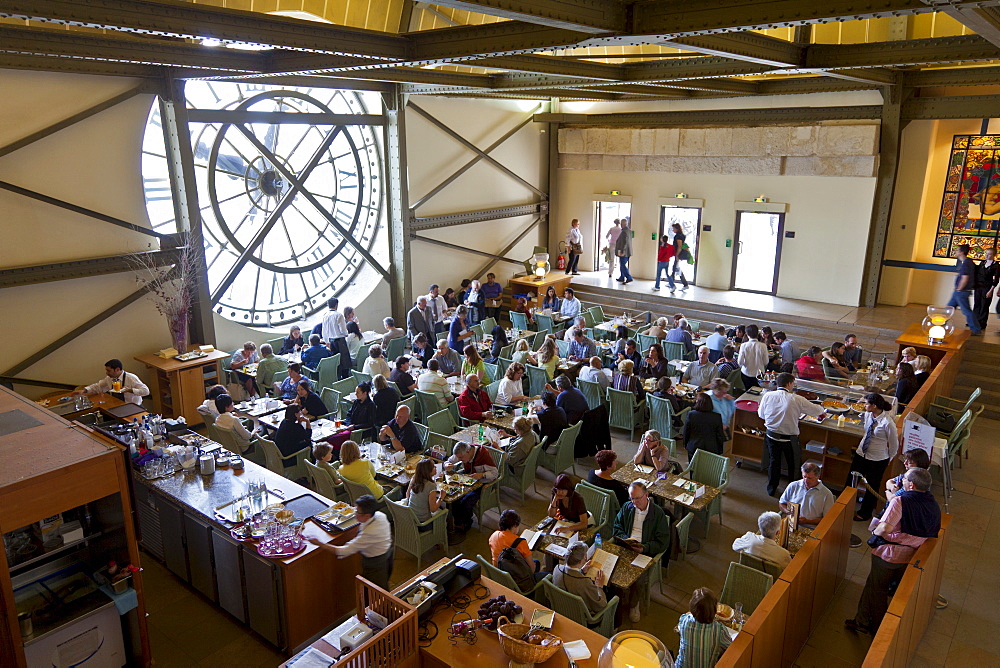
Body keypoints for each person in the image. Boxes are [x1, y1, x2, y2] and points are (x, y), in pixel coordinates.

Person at [845, 468, 940, 635]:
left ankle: (877, 629)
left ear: (911, 484)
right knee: (874, 585)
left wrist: (875, 531)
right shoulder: (933, 503)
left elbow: (885, 528)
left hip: (889, 555)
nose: (901, 481)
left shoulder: (901, 501)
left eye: (904, 479)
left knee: (877, 590)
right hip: (912, 555)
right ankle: (861, 619)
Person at [758, 373, 828, 497]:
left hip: (771, 436)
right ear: (789, 384)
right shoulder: (796, 399)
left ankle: (772, 489)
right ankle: (794, 491)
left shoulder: (768, 395)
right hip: (788, 439)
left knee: (774, 462)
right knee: (793, 465)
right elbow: (816, 410)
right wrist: (823, 411)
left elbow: (761, 415)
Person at [612, 481, 671, 623]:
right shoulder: (627, 507)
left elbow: (663, 542)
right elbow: (616, 527)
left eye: (637, 498)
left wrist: (645, 548)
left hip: (645, 552)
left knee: (638, 580)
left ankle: (634, 604)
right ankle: (615, 602)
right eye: (631, 498)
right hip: (626, 547)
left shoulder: (657, 513)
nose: (634, 502)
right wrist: (627, 540)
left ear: (647, 495)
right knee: (610, 568)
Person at [307, 494, 393, 590]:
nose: (355, 514)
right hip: (387, 555)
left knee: (376, 593)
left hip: (376, 564)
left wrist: (319, 543)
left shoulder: (369, 533)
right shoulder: (380, 515)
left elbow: (343, 551)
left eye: (357, 512)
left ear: (367, 515)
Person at [849, 393, 900, 521]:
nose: (864, 405)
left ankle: (865, 513)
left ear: (874, 406)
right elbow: (867, 432)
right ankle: (845, 507)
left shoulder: (888, 423)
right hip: (861, 453)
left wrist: (889, 459)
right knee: (851, 480)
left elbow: (894, 445)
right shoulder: (868, 415)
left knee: (872, 486)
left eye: (866, 404)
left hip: (877, 459)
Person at [446, 441, 498, 536]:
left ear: (468, 452)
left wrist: (482, 474)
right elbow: (449, 461)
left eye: (461, 458)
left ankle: (466, 523)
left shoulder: (483, 455)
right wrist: (446, 465)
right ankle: (458, 523)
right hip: (467, 482)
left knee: (466, 501)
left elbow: (495, 474)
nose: (459, 460)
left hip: (481, 485)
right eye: (458, 458)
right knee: (453, 498)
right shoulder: (461, 452)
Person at [553, 541, 609, 618]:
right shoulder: (584, 582)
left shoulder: (557, 568)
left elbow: (569, 578)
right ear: (581, 560)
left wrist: (581, 571)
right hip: (580, 616)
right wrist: (599, 586)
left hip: (562, 608)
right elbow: (601, 605)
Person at [489, 510, 543, 578]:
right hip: (516, 577)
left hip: (499, 573)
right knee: (538, 565)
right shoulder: (520, 542)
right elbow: (532, 569)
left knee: (536, 562)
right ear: (515, 525)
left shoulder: (493, 536)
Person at [780, 462, 836, 526]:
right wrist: (789, 513)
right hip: (791, 524)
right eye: (804, 476)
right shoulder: (793, 485)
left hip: (811, 528)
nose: (806, 480)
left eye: (809, 478)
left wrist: (808, 521)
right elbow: (782, 503)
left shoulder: (827, 494)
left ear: (818, 476)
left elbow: (827, 519)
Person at [74, 358, 150, 405]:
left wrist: (129, 390)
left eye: (109, 371)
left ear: (117, 369)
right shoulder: (109, 378)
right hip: (117, 405)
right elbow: (98, 386)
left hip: (132, 406)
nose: (107, 373)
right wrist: (84, 390)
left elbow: (146, 391)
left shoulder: (131, 378)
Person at [948, 244, 982, 335]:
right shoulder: (969, 262)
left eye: (957, 250)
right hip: (960, 291)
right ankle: (942, 324)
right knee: (949, 308)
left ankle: (976, 329)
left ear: (961, 252)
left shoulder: (966, 264)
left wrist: (959, 289)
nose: (956, 252)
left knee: (966, 311)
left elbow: (965, 278)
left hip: (961, 292)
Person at [682, 393, 726, 460]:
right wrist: (720, 450)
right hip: (711, 449)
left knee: (693, 468)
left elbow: (686, 431)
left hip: (694, 447)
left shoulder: (691, 414)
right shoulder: (717, 417)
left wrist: (685, 444)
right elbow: (719, 435)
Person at [321, 297, 353, 379]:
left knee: (336, 362)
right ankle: (346, 378)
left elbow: (324, 330)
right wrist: (346, 333)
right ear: (336, 305)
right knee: (344, 361)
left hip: (331, 341)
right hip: (340, 341)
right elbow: (343, 330)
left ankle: (338, 378)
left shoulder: (325, 315)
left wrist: (326, 341)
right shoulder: (338, 315)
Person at [405, 458, 442, 526]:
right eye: (433, 467)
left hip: (410, 517)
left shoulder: (414, 478)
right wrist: (441, 497)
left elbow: (407, 495)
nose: (435, 467)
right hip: (423, 523)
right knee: (444, 510)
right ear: (428, 471)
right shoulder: (431, 486)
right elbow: (433, 509)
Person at [973, 247, 999, 330]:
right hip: (978, 286)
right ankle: (974, 321)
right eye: (986, 253)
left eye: (989, 254)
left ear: (994, 255)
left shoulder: (996, 266)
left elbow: (996, 280)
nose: (987, 256)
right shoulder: (982, 263)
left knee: (984, 305)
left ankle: (982, 323)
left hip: (987, 287)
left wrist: (991, 291)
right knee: (977, 304)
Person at [737, 324, 768, 389]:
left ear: (747, 334)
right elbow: (766, 362)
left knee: (748, 392)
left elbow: (740, 362)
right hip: (759, 374)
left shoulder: (743, 345)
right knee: (759, 392)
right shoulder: (763, 346)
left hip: (746, 373)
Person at [670, 222, 690, 290]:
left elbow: (679, 246)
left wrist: (677, 255)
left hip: (679, 254)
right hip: (680, 253)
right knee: (675, 268)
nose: (673, 230)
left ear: (676, 229)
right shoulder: (682, 235)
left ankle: (685, 284)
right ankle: (671, 282)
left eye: (673, 228)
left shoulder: (678, 236)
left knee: (676, 269)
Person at [615, 218, 634, 283]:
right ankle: (622, 277)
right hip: (628, 251)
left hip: (624, 252)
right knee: (622, 264)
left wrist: (623, 251)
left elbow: (625, 243)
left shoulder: (624, 232)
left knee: (622, 265)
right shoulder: (629, 231)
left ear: (622, 224)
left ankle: (629, 277)